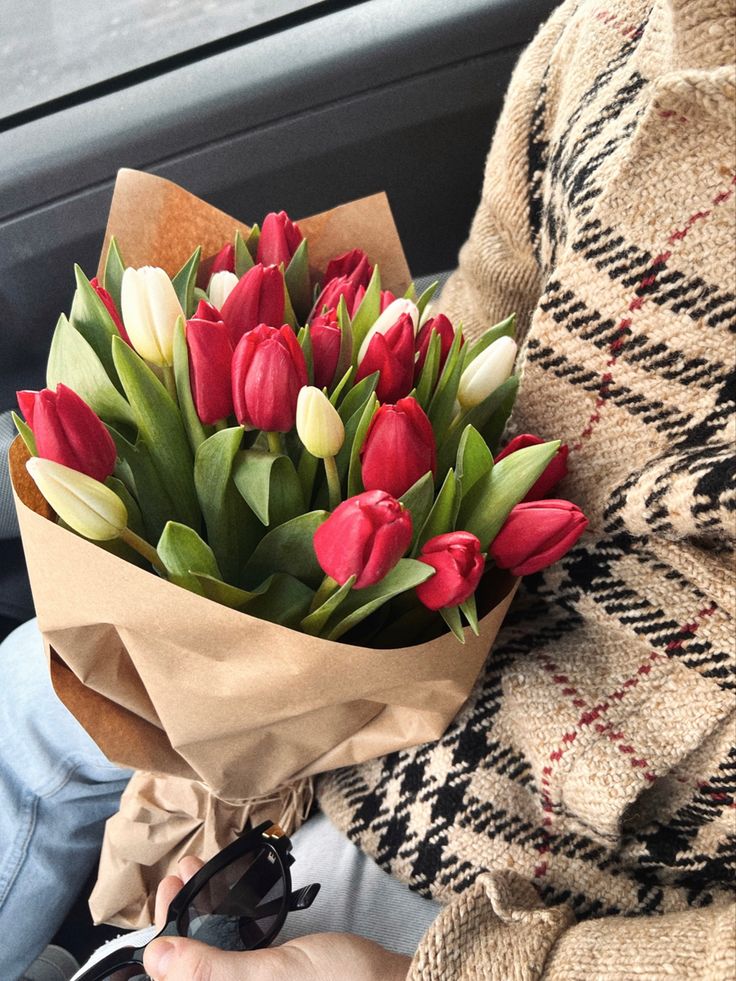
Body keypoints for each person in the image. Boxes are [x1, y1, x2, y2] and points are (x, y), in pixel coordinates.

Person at [2, 0, 734, 977]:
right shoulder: (625, 22)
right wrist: (253, 680)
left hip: (536, 875)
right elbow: (475, 331)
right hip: (373, 669)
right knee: (35, 693)